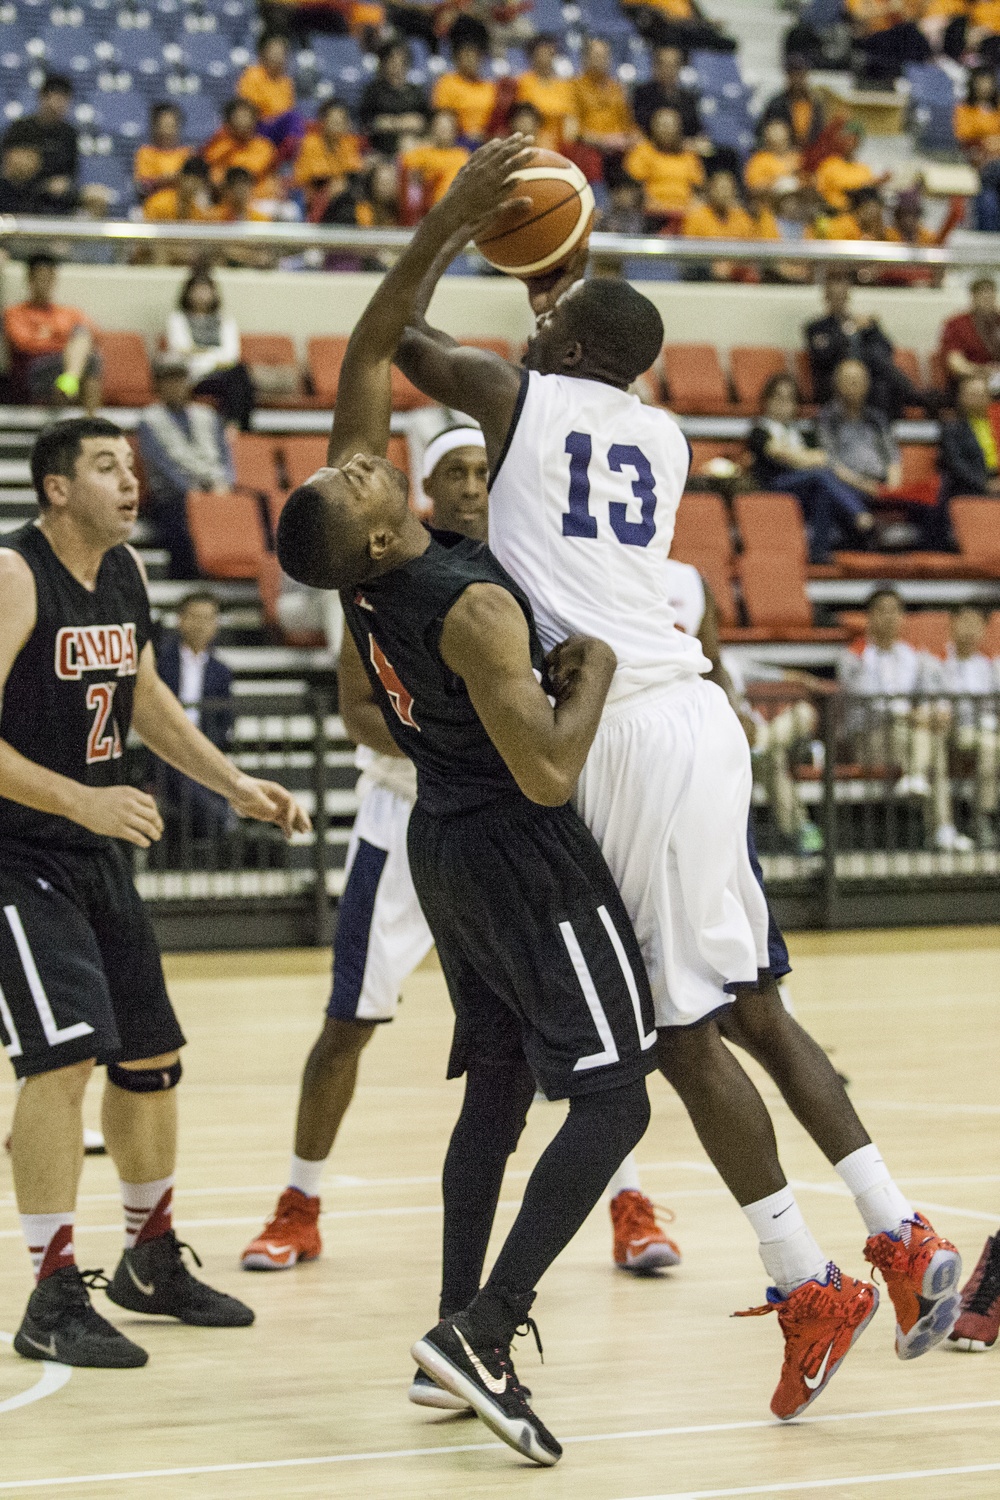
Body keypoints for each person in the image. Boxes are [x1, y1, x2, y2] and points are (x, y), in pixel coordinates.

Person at [398, 173, 962, 1425]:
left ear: (566, 347)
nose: (530, 329)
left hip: (620, 738)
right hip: (700, 719)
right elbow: (585, 348)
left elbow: (406, 340)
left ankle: (800, 1276)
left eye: (546, 324)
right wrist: (558, 277)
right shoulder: (663, 432)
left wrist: (449, 228)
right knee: (753, 1000)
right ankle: (895, 1225)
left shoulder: (515, 398)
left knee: (672, 1033)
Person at [275, 139, 660, 1468]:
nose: (375, 460)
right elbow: (553, 767)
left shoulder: (364, 562)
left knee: (495, 1089)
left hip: (444, 840)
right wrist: (599, 670)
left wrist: (440, 223)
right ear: (377, 531)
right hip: (520, 846)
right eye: (369, 475)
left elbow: (367, 354)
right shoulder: (470, 600)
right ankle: (486, 1329)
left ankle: (449, 1331)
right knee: (618, 1097)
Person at [242, 424, 678, 1288]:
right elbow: (379, 717)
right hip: (448, 815)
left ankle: (610, 1214)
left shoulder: (506, 564)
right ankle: (312, 1206)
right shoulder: (420, 586)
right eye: (456, 471)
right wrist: (475, 733)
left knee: (518, 1066)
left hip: (456, 828)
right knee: (363, 1021)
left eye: (486, 469)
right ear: (427, 490)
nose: (475, 484)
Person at [0, 416, 310, 1369]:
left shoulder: (127, 575)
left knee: (152, 1059)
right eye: (106, 468)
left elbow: (145, 701)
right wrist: (84, 802)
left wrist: (230, 781)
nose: (130, 483)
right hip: (16, 852)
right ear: (57, 489)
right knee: (63, 1062)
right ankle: (51, 1292)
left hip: (90, 849)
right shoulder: (15, 576)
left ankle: (147, 1259)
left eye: (131, 467)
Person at [840, 588, 969, 852]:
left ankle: (919, 782)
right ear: (870, 617)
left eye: (895, 611)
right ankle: (941, 826)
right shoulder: (854, 656)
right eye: (882, 611)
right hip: (869, 738)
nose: (890, 617)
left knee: (931, 741)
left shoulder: (913, 656)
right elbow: (867, 700)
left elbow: (933, 690)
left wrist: (936, 711)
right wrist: (912, 715)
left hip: (909, 738)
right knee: (921, 737)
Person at [748, 372, 875, 564]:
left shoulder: (802, 432)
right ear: (767, 400)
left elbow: (823, 458)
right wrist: (805, 459)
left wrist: (862, 483)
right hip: (773, 485)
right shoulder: (759, 430)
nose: (783, 404)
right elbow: (778, 453)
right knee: (820, 476)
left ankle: (818, 553)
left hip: (804, 488)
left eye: (789, 399)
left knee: (823, 491)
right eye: (778, 398)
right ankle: (858, 513)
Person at [136, 355, 237, 578]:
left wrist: (226, 483)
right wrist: (193, 491)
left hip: (215, 486)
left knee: (255, 505)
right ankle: (190, 576)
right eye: (168, 380)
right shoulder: (149, 419)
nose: (175, 386)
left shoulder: (207, 415)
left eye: (180, 380)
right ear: (158, 385)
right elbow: (162, 464)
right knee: (178, 520)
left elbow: (225, 455)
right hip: (173, 494)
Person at [153, 591, 235, 841]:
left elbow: (225, 720)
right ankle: (226, 821)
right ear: (181, 620)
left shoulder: (222, 671)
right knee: (183, 774)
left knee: (213, 774)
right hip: (165, 750)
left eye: (208, 618)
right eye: (195, 617)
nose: (201, 624)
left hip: (203, 749)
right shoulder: (161, 662)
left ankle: (222, 821)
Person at [805, 268, 929, 417]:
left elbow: (888, 350)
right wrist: (848, 330)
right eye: (834, 297)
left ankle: (886, 433)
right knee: (873, 360)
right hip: (834, 384)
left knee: (883, 386)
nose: (839, 301)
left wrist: (872, 328)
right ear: (826, 298)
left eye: (842, 296)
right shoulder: (816, 328)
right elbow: (823, 356)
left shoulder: (862, 322)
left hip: (867, 380)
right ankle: (915, 396)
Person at [926, 604, 1000, 850]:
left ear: (984, 630)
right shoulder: (937, 662)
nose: (970, 630)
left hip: (975, 732)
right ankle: (944, 827)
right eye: (965, 622)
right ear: (952, 625)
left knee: (990, 744)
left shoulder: (988, 667)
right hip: (942, 729)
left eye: (976, 624)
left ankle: (982, 817)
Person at [3, 255, 102, 415]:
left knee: (90, 354)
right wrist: (65, 344)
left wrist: (50, 337)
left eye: (49, 278)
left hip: (60, 367)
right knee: (86, 360)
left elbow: (93, 336)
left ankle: (87, 416)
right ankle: (70, 383)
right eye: (40, 278)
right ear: (29, 279)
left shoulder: (69, 313)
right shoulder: (14, 313)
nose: (44, 283)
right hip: (31, 372)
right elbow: (25, 344)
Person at [163, 270, 255, 432]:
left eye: (206, 290)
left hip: (223, 374)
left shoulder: (225, 321)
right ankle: (237, 427)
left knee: (240, 373)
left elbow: (232, 355)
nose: (201, 294)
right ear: (188, 293)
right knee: (237, 378)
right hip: (195, 377)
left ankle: (234, 427)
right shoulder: (178, 320)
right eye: (197, 290)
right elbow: (180, 351)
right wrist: (214, 356)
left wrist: (200, 353)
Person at [817, 359, 902, 520]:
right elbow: (830, 462)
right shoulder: (829, 418)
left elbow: (892, 456)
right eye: (849, 380)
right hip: (850, 485)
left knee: (932, 503)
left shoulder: (876, 418)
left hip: (881, 484)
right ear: (837, 384)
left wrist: (893, 486)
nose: (854, 384)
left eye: (859, 380)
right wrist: (864, 485)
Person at [0, 74, 78, 208]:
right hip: (18, 191)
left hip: (54, 195)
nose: (59, 105)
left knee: (95, 196)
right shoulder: (21, 128)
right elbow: (8, 166)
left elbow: (70, 172)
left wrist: (63, 183)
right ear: (43, 98)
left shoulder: (69, 133)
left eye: (64, 99)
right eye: (56, 97)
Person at [621, 107, 704, 225]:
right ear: (653, 127)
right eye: (662, 125)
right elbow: (632, 186)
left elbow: (698, 189)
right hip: (652, 214)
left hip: (684, 214)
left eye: (671, 125)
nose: (667, 130)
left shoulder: (689, 155)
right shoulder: (642, 151)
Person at [572, 36, 636, 170]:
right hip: (590, 149)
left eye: (605, 56)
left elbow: (628, 125)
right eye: (596, 55)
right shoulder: (574, 87)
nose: (601, 60)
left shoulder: (617, 89)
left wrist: (629, 139)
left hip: (619, 150)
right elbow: (573, 132)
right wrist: (603, 141)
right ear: (585, 59)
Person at [358, 40, 431, 157]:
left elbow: (424, 120)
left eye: (401, 60)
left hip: (414, 144)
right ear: (384, 63)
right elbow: (369, 122)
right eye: (392, 60)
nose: (397, 65)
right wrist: (401, 123)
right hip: (382, 148)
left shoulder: (416, 91)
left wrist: (391, 122)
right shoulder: (374, 91)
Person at [938, 372, 1000, 507]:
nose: (977, 399)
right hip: (972, 486)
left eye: (981, 394)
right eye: (972, 395)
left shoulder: (996, 422)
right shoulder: (952, 428)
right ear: (961, 397)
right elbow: (956, 464)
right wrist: (985, 484)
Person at [237, 33, 307, 153]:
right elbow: (247, 107)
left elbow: (287, 108)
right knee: (293, 118)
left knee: (304, 123)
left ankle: (287, 152)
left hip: (279, 128)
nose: (278, 57)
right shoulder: (252, 74)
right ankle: (285, 152)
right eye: (274, 53)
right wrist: (270, 117)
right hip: (258, 126)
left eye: (281, 54)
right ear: (263, 54)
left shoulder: (286, 82)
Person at [203, 99, 279, 195]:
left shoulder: (264, 146)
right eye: (238, 116)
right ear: (228, 121)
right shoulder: (218, 146)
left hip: (259, 199)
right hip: (225, 199)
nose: (243, 121)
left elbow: (249, 173)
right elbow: (213, 176)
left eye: (247, 116)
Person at [400, 110, 470, 215]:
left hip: (456, 209)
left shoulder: (462, 155)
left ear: (455, 130)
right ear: (432, 128)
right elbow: (405, 165)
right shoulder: (422, 153)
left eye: (447, 127)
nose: (443, 131)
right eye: (440, 126)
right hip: (429, 209)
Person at [631, 44, 703, 145]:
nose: (669, 70)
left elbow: (697, 131)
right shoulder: (642, 93)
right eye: (664, 64)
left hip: (681, 152)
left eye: (674, 65)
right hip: (649, 150)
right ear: (655, 67)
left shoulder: (688, 98)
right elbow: (637, 128)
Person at [938, 277, 1000, 395]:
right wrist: (982, 371)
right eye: (983, 296)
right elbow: (955, 363)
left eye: (991, 296)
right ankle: (977, 415)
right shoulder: (956, 324)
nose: (987, 300)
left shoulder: (997, 320)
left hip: (997, 375)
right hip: (970, 377)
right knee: (977, 388)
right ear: (973, 297)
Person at [430, 37, 497, 144]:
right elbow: (443, 115)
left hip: (486, 138)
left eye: (475, 56)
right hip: (456, 139)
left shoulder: (489, 86)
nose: (471, 60)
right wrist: (464, 133)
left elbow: (496, 116)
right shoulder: (447, 82)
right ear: (458, 58)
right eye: (467, 55)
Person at [292, 100, 365, 198]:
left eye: (341, 122)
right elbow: (318, 178)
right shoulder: (310, 143)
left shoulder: (348, 143)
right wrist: (340, 183)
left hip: (341, 196)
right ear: (323, 121)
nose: (338, 125)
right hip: (312, 195)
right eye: (334, 121)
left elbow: (354, 172)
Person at [515, 35, 575, 152]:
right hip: (531, 140)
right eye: (540, 53)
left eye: (548, 53)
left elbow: (570, 118)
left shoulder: (564, 86)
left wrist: (567, 144)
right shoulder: (524, 82)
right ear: (532, 56)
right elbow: (523, 117)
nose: (544, 57)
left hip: (559, 143)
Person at [846, 0, 930, 83]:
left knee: (912, 33)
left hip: (896, 38)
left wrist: (921, 5)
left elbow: (912, 17)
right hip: (871, 39)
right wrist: (890, 7)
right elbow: (858, 15)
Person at [759, 54, 827, 151]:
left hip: (811, 155)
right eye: (793, 75)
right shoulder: (777, 104)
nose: (797, 80)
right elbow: (766, 132)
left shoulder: (815, 104)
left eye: (801, 75)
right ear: (787, 76)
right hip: (782, 155)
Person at [620, 0, 737, 54]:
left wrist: (709, 23)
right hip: (664, 29)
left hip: (689, 27)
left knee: (727, 42)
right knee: (673, 33)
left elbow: (697, 15)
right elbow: (630, 8)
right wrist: (659, 14)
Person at [814, 123, 880, 212]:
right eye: (846, 139)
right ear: (840, 141)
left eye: (853, 140)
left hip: (859, 215)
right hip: (833, 213)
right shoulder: (829, 165)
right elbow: (819, 192)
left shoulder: (864, 169)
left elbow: (867, 193)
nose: (849, 143)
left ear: (858, 143)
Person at [133, 104, 190, 202]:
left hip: (184, 206)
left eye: (172, 126)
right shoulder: (146, 152)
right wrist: (165, 179)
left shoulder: (188, 153)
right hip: (155, 206)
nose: (168, 131)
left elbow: (194, 184)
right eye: (164, 125)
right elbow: (142, 186)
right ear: (155, 127)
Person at [0, 144, 74, 217]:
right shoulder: (4, 188)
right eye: (21, 153)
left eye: (29, 156)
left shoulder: (46, 192)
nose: (24, 161)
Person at [142, 155, 214, 225]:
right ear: (180, 178)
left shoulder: (199, 211)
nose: (191, 186)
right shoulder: (158, 202)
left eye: (197, 182)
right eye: (189, 180)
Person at [745, 117, 801, 195]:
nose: (777, 135)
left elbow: (808, 179)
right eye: (774, 131)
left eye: (780, 131)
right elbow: (753, 187)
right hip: (770, 203)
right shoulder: (759, 160)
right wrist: (776, 184)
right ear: (766, 137)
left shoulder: (798, 156)